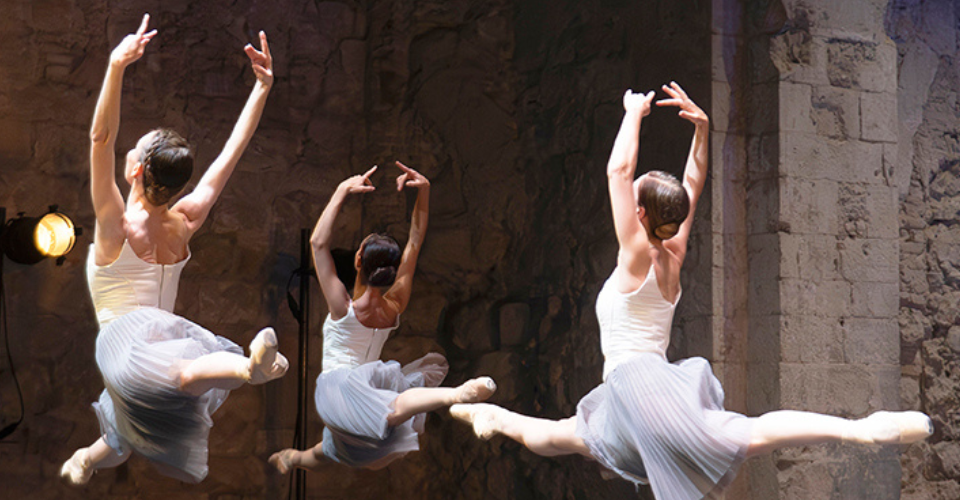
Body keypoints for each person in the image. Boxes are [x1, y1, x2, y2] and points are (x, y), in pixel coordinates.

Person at [449, 82, 933, 500]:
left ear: (640, 215)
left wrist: (632, 114)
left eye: (637, 194)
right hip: (661, 385)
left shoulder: (635, 253)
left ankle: (495, 417)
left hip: (634, 384)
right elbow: (692, 184)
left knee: (561, 436)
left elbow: (618, 172)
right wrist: (703, 132)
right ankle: (859, 429)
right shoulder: (674, 251)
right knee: (747, 432)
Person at [60, 14, 287, 485]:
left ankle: (249, 368)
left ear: (136, 171)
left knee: (133, 421)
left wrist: (116, 64)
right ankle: (248, 368)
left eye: (136, 149)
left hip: (127, 358)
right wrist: (261, 88)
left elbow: (100, 137)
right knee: (179, 380)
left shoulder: (116, 226)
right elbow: (231, 153)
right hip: (166, 354)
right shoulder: (186, 221)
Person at [268, 162, 497, 472]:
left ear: (359, 259)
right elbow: (415, 241)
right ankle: (292, 458)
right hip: (370, 392)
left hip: (342, 389)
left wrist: (341, 191)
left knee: (350, 438)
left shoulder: (344, 308)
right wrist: (424, 191)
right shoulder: (395, 304)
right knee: (360, 431)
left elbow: (317, 243)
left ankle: (456, 394)